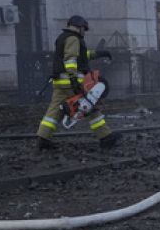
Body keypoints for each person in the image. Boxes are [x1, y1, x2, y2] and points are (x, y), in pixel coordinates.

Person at [37, 15, 117, 150]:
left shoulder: (63, 38)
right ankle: (105, 137)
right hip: (70, 82)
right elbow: (70, 59)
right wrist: (74, 79)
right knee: (90, 106)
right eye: (84, 29)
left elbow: (81, 55)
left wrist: (99, 53)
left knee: (53, 111)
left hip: (59, 82)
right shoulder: (73, 38)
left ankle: (42, 139)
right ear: (79, 27)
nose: (84, 32)